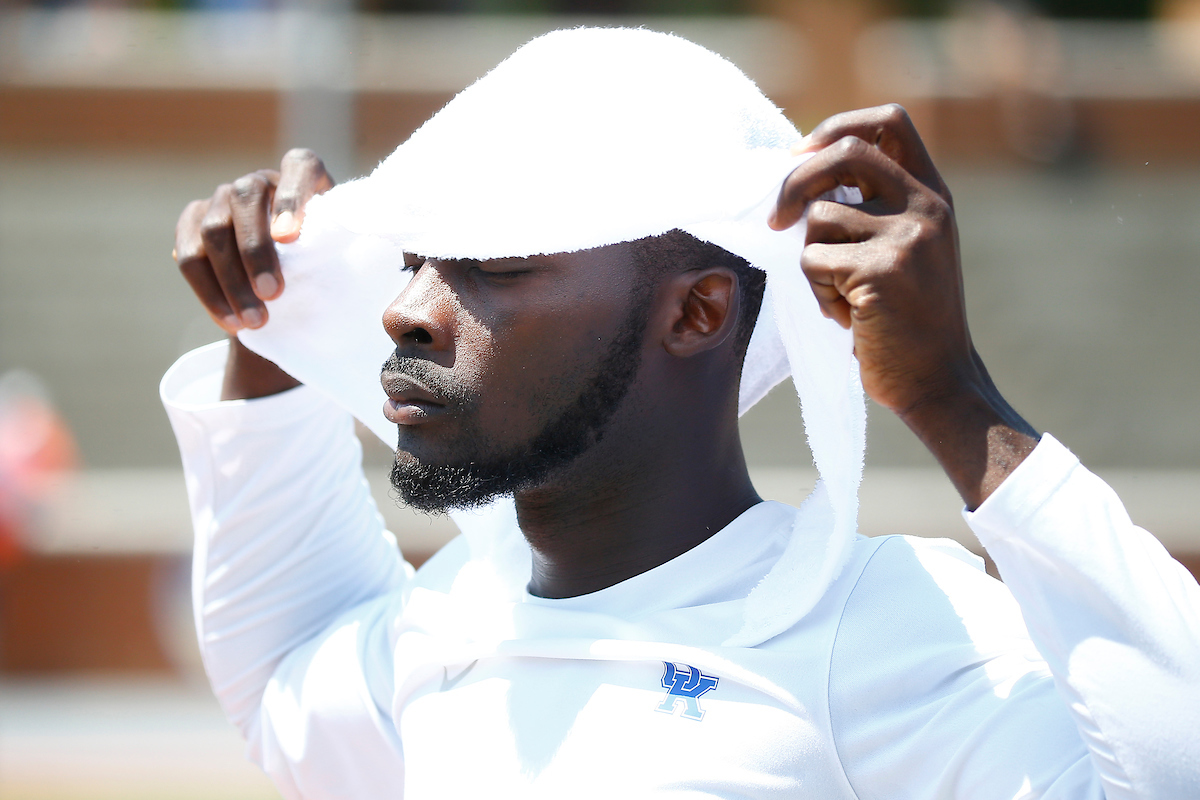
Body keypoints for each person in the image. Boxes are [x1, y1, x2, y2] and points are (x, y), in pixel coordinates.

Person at [164, 28, 1198, 800]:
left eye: (497, 265)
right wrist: (277, 319)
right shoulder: (453, 622)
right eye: (412, 259)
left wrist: (952, 396)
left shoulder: (867, 628)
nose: (403, 310)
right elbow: (284, 673)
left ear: (697, 311)